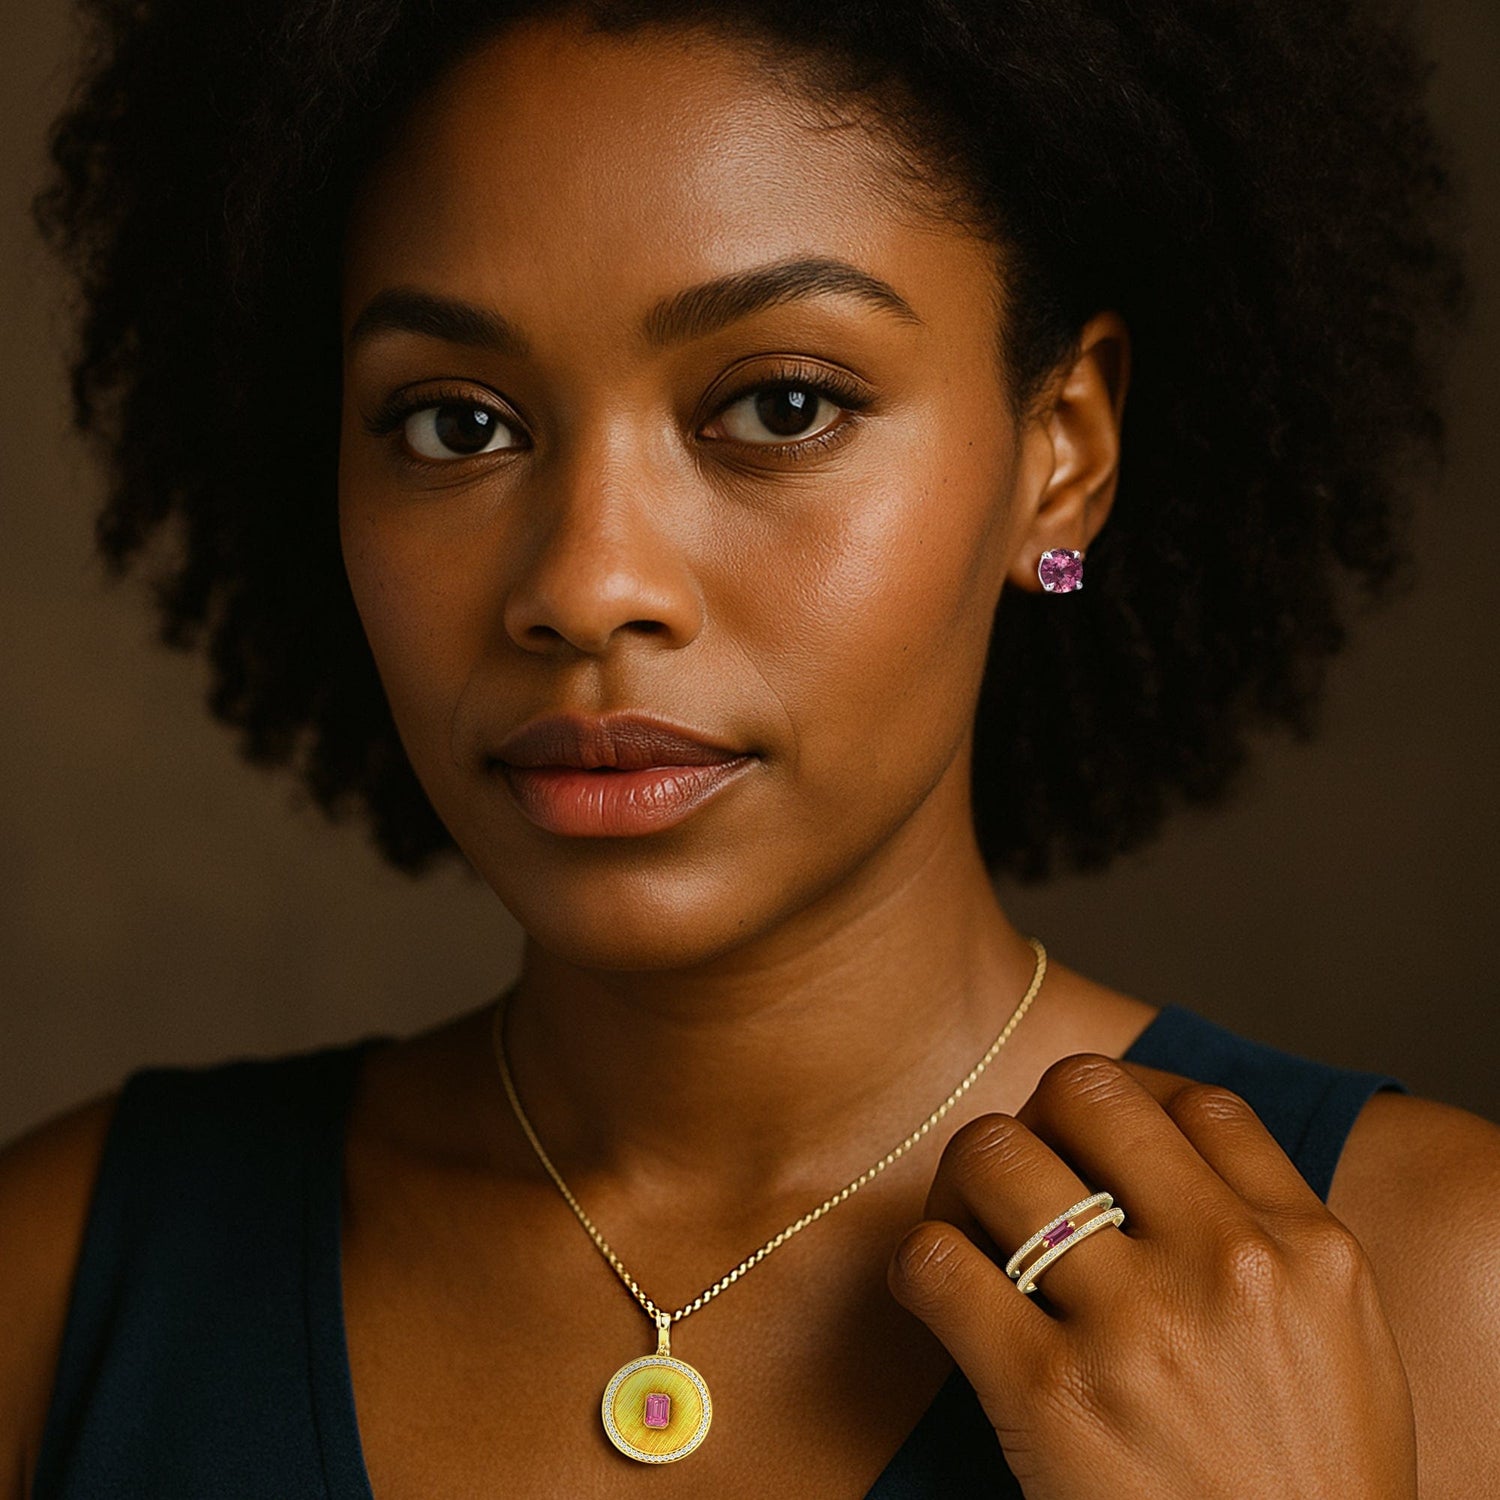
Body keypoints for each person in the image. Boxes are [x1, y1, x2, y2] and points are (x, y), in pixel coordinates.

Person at [3, 0, 1496, 1494]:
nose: (587, 585)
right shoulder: (62, 1284)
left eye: (781, 406)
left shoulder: (1431, 1285)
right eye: (455, 426)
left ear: (1067, 448)